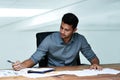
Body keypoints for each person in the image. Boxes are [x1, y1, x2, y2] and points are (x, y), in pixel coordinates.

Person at [12, 13, 102, 71]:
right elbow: (34, 59)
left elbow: (93, 58)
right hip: (53, 74)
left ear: (74, 30)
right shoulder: (49, 40)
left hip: (73, 74)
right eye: (61, 27)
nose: (62, 32)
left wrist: (95, 64)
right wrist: (21, 65)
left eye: (67, 30)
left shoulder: (80, 39)